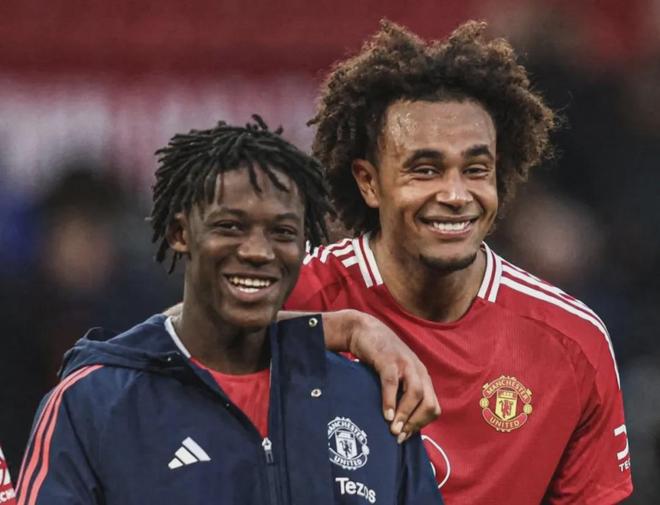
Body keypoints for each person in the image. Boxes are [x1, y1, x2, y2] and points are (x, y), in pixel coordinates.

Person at [285, 20, 633, 504]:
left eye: (475, 170)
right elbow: (185, 348)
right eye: (425, 170)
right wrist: (347, 329)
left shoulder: (572, 342)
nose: (455, 194)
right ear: (369, 182)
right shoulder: (299, 293)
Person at [16, 117, 442, 505]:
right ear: (180, 233)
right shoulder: (94, 404)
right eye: (230, 227)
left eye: (282, 232)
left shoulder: (366, 399)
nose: (258, 251)